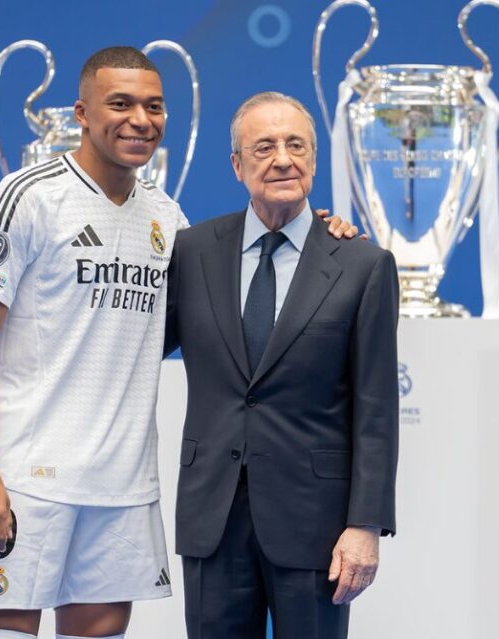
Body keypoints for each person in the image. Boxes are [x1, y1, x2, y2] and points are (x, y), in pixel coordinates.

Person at [0, 48, 358, 638]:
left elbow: (224, 301)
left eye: (153, 106)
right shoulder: (29, 196)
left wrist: (318, 236)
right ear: (82, 112)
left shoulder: (169, 220)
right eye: (120, 103)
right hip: (27, 480)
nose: (140, 119)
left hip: (122, 485)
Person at [164, 91, 400, 639]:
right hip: (212, 520)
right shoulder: (192, 252)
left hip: (315, 524)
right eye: (264, 146)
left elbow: (376, 409)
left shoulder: (362, 265)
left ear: (315, 160)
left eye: (296, 145)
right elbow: (135, 344)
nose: (282, 159)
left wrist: (364, 524)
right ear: (237, 164)